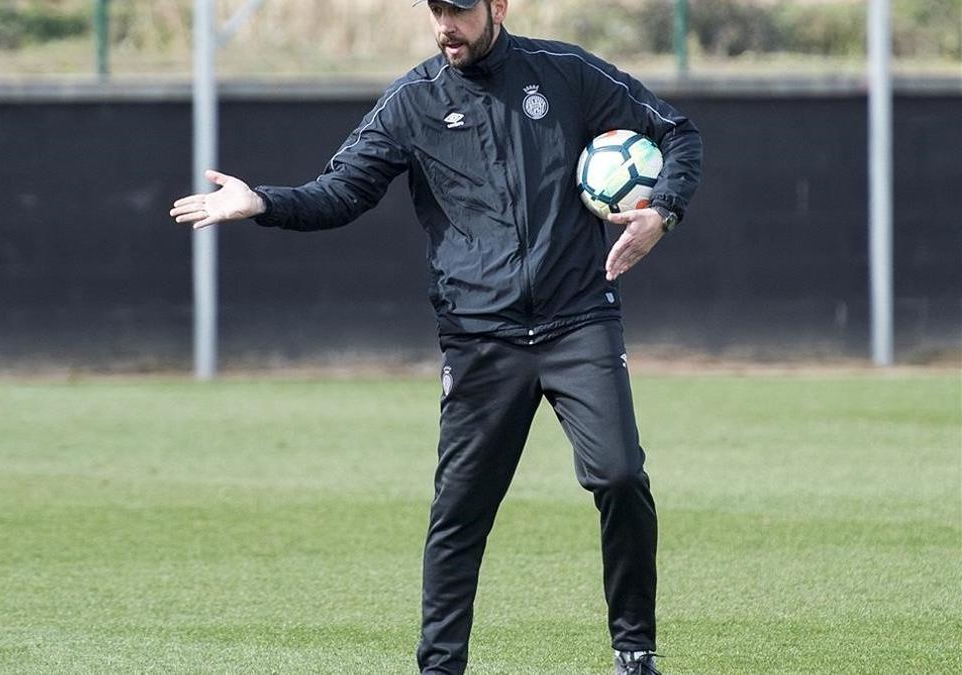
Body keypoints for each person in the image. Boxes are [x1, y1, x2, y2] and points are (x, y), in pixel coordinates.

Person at [171, 0, 702, 672]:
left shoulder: (564, 73)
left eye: (459, 9)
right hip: (482, 337)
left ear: (498, 6)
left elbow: (678, 132)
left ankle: (634, 649)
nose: (445, 23)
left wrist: (665, 209)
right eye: (435, 9)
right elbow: (341, 192)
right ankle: (440, 666)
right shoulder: (411, 103)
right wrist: (265, 201)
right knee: (459, 516)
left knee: (622, 474)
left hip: (578, 320)